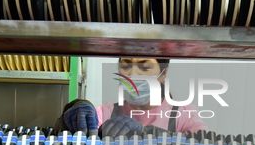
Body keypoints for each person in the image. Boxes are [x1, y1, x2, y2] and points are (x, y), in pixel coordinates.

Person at [55, 58, 209, 137]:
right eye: (126, 66)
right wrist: (71, 114)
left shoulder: (184, 115)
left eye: (144, 67)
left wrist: (146, 133)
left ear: (163, 74)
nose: (133, 75)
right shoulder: (106, 112)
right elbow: (68, 135)